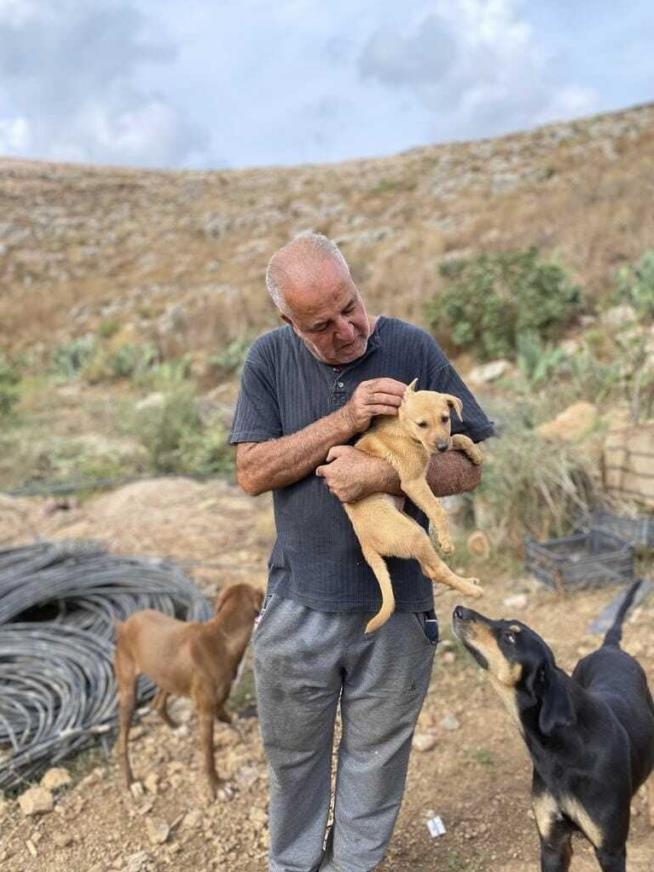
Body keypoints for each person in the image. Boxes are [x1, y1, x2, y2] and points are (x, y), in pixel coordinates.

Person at [230, 232, 493, 872]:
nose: (347, 329)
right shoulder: (268, 360)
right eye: (322, 325)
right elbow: (252, 471)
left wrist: (380, 476)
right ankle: (291, 865)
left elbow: (469, 468)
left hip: (399, 607)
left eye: (351, 306)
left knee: (376, 761)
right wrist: (346, 422)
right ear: (288, 323)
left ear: (353, 282)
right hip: (299, 604)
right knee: (294, 761)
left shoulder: (410, 347)